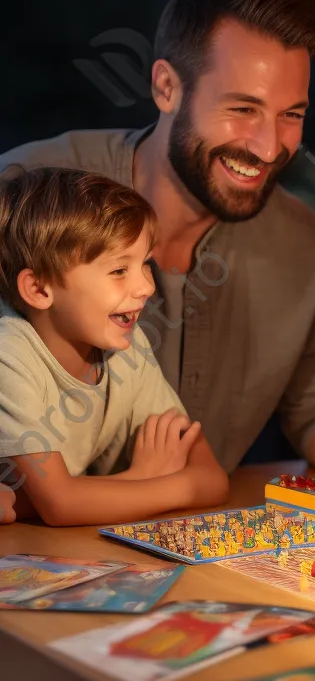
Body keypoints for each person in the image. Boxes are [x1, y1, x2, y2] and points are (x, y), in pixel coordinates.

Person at [0, 0, 315, 517]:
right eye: (243, 109)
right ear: (166, 87)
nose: (268, 147)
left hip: (182, 544)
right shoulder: (24, 195)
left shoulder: (312, 255)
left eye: (291, 115)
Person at [0, 168, 229, 525]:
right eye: (119, 270)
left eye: (145, 264)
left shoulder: (127, 345)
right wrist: (145, 480)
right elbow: (62, 506)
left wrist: (41, 502)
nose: (147, 288)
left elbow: (212, 477)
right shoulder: (9, 353)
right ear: (40, 289)